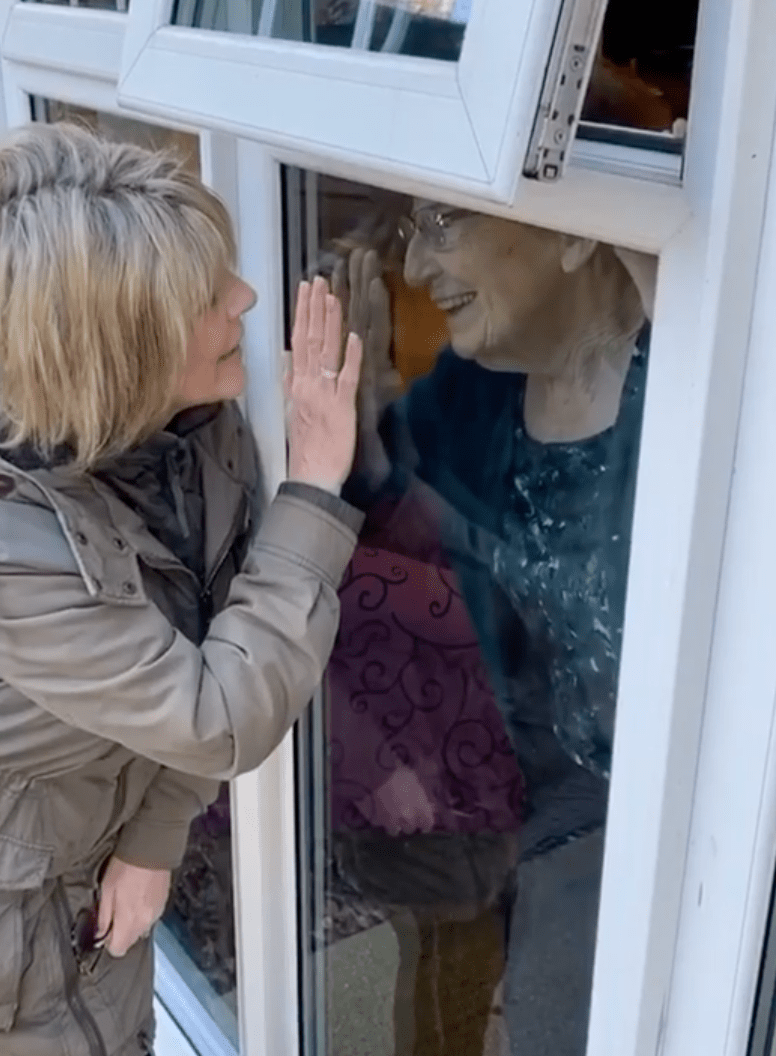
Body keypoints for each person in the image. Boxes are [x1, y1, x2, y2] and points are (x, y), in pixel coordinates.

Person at [0, 123, 363, 1056]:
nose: (244, 297)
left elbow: (212, 613)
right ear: (117, 356)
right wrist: (315, 489)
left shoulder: (172, 416)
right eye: (208, 296)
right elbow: (216, 705)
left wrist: (156, 835)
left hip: (64, 843)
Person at [337, 202, 654, 1054]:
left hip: (634, 842)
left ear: (580, 225)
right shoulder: (473, 389)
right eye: (409, 230)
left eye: (443, 222)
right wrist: (366, 452)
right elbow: (413, 535)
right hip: (491, 798)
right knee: (445, 985)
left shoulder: (697, 384)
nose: (414, 269)